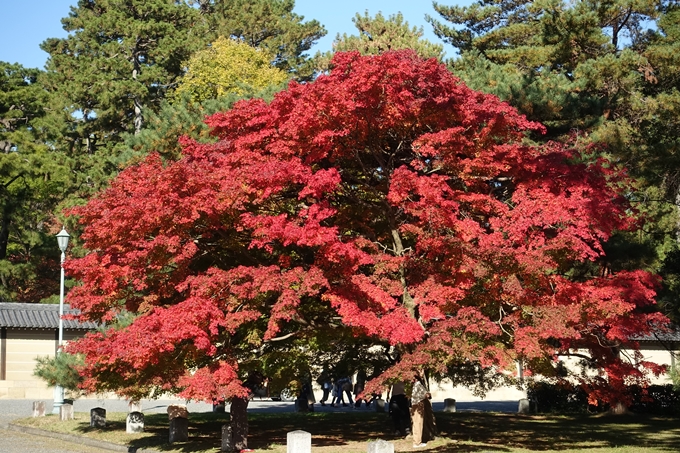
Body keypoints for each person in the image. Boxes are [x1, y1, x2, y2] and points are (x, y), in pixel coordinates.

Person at [410, 374, 436, 448]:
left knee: (415, 423)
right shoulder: (419, 385)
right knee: (419, 423)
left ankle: (416, 441)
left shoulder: (413, 386)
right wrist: (429, 394)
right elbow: (426, 395)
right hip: (419, 404)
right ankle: (418, 442)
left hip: (414, 404)